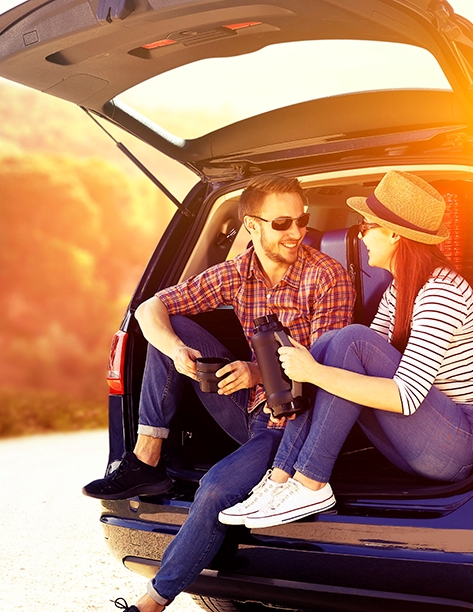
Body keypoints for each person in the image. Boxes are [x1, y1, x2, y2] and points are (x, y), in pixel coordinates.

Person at [97, 174, 354, 612]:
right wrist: (178, 351)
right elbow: (148, 309)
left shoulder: (327, 276)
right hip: (248, 409)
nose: (297, 232)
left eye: (303, 220)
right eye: (282, 223)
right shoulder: (238, 273)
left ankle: (150, 605)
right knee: (170, 327)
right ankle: (146, 461)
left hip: (293, 423)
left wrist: (257, 371)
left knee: (214, 489)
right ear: (252, 227)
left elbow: (326, 373)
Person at [216, 169, 473, 531]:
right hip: (416, 443)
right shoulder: (399, 290)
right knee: (332, 344)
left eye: (365, 226)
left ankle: (310, 482)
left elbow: (405, 396)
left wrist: (311, 372)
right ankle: (280, 479)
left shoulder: (441, 292)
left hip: (453, 448)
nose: (361, 236)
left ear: (393, 233)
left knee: (346, 340)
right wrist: (315, 368)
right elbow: (354, 365)